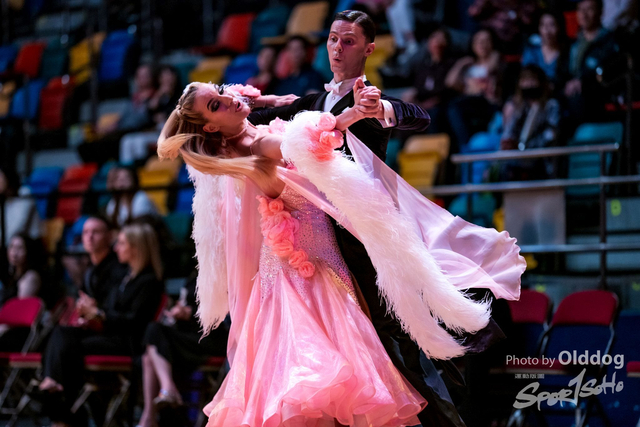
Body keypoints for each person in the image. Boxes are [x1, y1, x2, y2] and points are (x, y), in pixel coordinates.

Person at [157, 75, 524, 426]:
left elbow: (273, 115)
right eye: (216, 105)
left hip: (323, 263)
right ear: (210, 127)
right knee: (321, 387)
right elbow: (303, 144)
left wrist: (263, 100)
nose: (230, 98)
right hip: (306, 276)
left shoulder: (248, 134)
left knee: (335, 391)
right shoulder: (253, 147)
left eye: (221, 91)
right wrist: (352, 114)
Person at [247, 10, 475, 427]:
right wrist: (243, 102)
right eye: (333, 39)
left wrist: (381, 106)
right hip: (316, 238)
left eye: (348, 41)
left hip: (360, 237)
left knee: (393, 335)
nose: (337, 48)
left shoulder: (367, 98)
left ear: (369, 49)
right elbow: (255, 123)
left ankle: (445, 419)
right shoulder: (312, 103)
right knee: (337, 344)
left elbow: (418, 116)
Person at [37, 223, 164, 427]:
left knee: (68, 347)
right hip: (110, 335)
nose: (116, 248)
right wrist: (93, 313)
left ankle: (60, 405)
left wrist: (99, 315)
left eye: (121, 243)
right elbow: (110, 310)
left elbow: (135, 322)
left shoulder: (148, 281)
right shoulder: (127, 278)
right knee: (61, 332)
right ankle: (55, 388)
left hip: (128, 342)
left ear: (136, 248)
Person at [137, 272, 228, 427]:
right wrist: (178, 310)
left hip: (211, 338)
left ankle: (159, 402)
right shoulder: (195, 274)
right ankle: (151, 414)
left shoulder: (220, 273)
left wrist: (190, 313)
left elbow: (225, 313)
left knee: (153, 336)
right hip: (190, 335)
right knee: (149, 354)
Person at [446, 28, 504, 152]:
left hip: (488, 103)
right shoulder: (469, 67)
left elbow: (491, 72)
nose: (482, 44)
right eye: (478, 41)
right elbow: (450, 82)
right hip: (470, 104)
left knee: (456, 106)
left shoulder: (496, 61)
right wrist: (461, 63)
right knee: (452, 107)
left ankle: (466, 149)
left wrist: (494, 56)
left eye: (486, 40)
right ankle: (465, 147)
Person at [500, 65, 561, 181]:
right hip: (517, 161)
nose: (529, 85)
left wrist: (526, 147)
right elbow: (509, 132)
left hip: (541, 159)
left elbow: (551, 135)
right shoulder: (518, 107)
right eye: (525, 81)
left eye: (532, 80)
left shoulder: (551, 106)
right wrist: (509, 142)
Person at [564, 0, 617, 123]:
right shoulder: (573, 42)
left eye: (589, 9)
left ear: (600, 12)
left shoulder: (609, 41)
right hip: (571, 90)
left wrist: (583, 81)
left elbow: (609, 71)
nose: (584, 14)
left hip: (596, 93)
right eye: (580, 9)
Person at [120, 66, 181, 166]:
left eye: (169, 76)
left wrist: (165, 118)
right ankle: (126, 168)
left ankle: (141, 168)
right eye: (163, 76)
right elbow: (149, 111)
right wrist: (160, 94)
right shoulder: (160, 96)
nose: (166, 79)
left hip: (172, 134)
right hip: (156, 132)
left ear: (175, 77)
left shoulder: (180, 95)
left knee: (139, 142)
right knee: (126, 140)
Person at [402, 28, 456, 134]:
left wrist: (426, 104)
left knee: (433, 114)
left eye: (441, 39)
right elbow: (418, 88)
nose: (437, 42)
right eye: (434, 39)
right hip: (422, 104)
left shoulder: (450, 64)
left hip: (441, 104)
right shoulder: (423, 66)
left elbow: (446, 91)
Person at [0, 233, 45, 351]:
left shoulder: (31, 277)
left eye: (20, 248)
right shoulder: (11, 277)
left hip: (18, 333)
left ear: (28, 251)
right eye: (12, 247)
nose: (14, 253)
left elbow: (18, 314)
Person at [521, 11, 569, 91]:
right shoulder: (531, 52)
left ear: (559, 27)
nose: (547, 31)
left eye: (552, 25)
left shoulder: (568, 53)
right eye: (543, 25)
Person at [0, 166, 42, 247]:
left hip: (29, 243)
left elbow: (19, 226)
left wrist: (2, 242)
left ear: (7, 178)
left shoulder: (25, 193)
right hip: (9, 244)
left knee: (16, 243)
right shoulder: (4, 199)